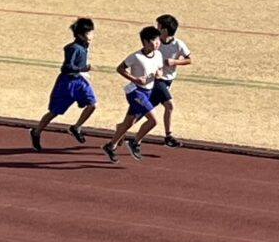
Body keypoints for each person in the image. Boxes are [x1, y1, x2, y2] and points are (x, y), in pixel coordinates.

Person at [29, 17, 97, 151]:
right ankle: (36, 132)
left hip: (80, 81)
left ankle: (76, 127)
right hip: (66, 83)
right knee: (54, 112)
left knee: (92, 104)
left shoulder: (84, 46)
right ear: (79, 35)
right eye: (88, 33)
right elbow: (66, 67)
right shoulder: (73, 48)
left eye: (92, 32)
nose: (91, 36)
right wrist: (82, 69)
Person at [101, 26, 165, 163]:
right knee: (153, 121)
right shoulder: (136, 57)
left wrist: (160, 74)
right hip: (136, 92)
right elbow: (120, 68)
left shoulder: (158, 54)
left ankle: (110, 146)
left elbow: (160, 69)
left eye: (158, 40)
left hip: (148, 91)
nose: (158, 43)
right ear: (145, 42)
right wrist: (134, 79)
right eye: (154, 40)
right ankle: (135, 143)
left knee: (128, 123)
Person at [150, 14, 192, 148]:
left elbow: (189, 59)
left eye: (159, 27)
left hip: (168, 81)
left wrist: (175, 61)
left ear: (165, 30)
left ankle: (121, 131)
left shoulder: (178, 44)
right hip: (157, 80)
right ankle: (169, 136)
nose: (157, 29)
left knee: (144, 109)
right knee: (170, 106)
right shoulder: (155, 43)